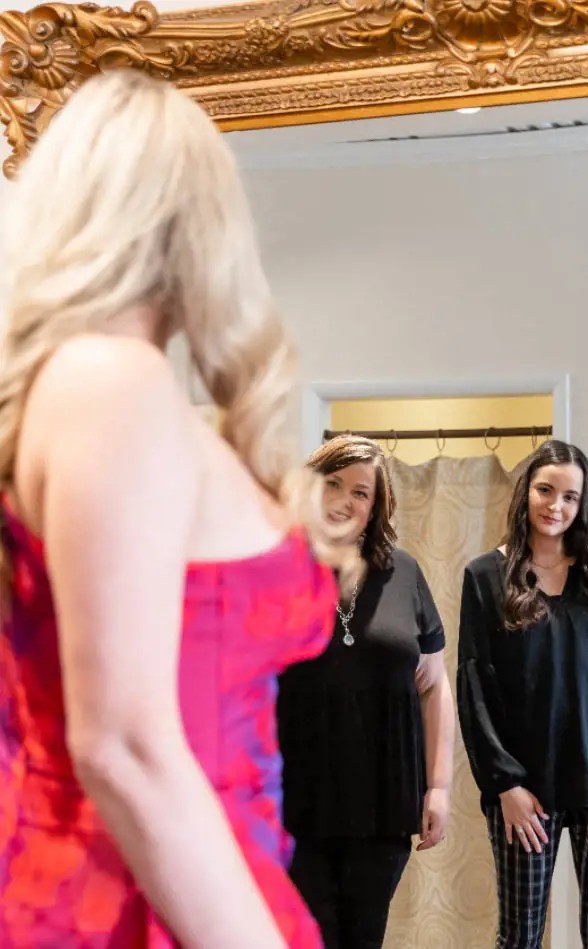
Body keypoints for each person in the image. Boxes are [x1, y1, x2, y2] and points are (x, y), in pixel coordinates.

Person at [0, 70, 349, 947]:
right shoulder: (112, 380)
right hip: (127, 891)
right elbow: (124, 743)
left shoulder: (105, 388)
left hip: (188, 871)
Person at [277, 435, 455, 949]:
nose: (343, 501)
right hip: (298, 799)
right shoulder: (281, 567)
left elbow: (434, 685)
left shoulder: (404, 573)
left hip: (385, 797)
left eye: (361, 492)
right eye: (333, 484)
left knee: (364, 936)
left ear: (375, 507)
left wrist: (438, 787)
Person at [458, 439, 588, 949]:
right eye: (545, 490)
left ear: (584, 505)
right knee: (519, 938)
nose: (556, 506)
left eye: (570, 497)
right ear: (525, 492)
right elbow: (474, 687)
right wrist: (504, 786)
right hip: (523, 793)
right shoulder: (484, 577)